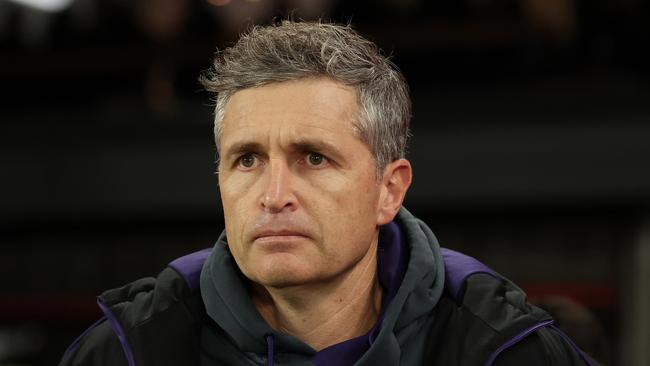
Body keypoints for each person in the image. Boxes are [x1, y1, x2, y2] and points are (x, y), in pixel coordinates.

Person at [60, 21, 596, 366]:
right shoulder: (128, 351)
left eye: (313, 158)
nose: (273, 195)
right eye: (247, 159)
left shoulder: (504, 348)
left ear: (390, 190)